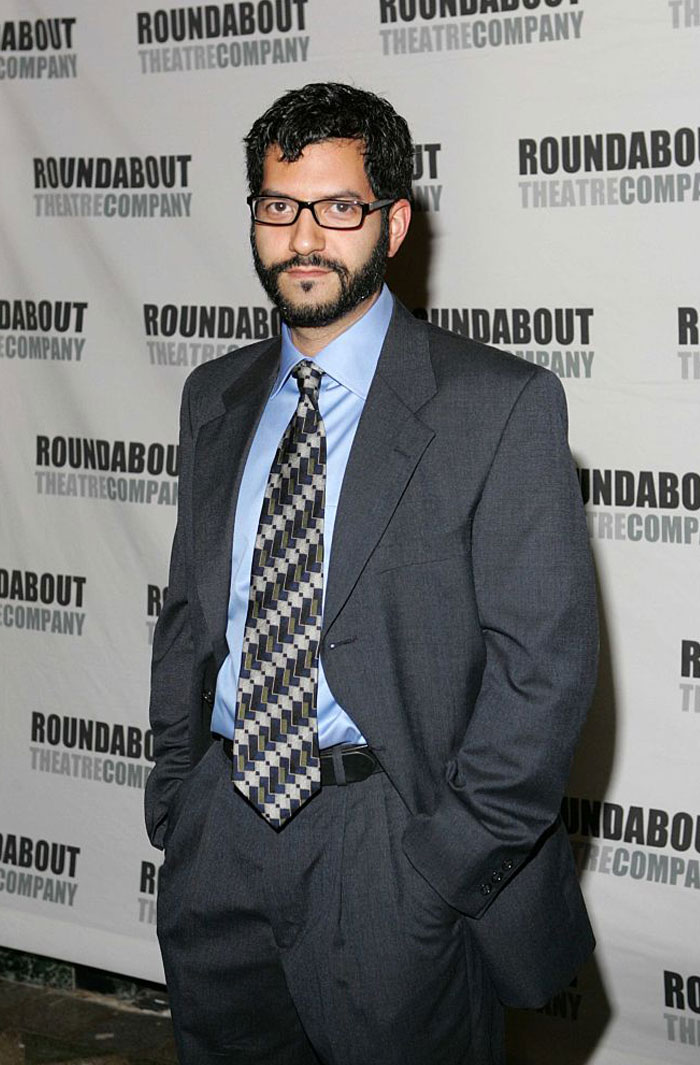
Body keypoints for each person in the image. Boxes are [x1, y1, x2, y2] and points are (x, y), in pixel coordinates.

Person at [146, 82, 599, 1065]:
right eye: (280, 205)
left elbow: (544, 676)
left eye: (338, 207)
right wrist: (178, 798)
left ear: (392, 223)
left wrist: (438, 868)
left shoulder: (498, 405)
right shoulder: (211, 396)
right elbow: (189, 616)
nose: (305, 237)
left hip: (393, 846)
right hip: (220, 833)